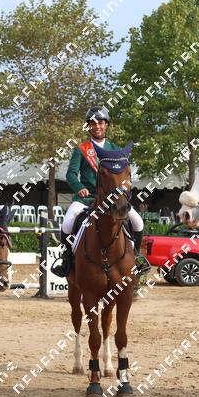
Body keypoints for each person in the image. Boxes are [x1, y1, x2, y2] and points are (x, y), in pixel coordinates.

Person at [51, 106, 150, 277]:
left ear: (106, 125)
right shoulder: (81, 149)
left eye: (101, 123)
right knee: (68, 221)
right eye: (93, 123)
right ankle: (66, 259)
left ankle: (136, 257)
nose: (97, 126)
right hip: (87, 198)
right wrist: (79, 188)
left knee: (138, 221)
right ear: (88, 126)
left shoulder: (116, 150)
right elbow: (71, 174)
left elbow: (123, 174)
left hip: (113, 199)